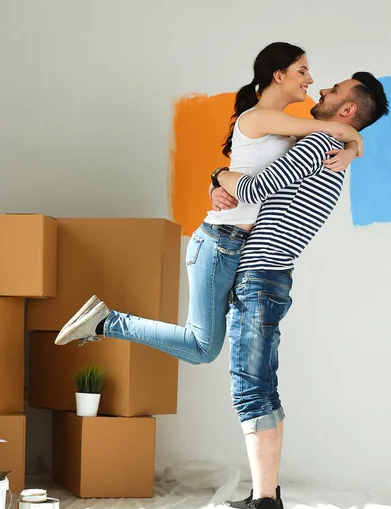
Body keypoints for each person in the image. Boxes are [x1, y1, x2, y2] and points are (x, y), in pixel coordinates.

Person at [54, 42, 361, 364]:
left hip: (237, 246)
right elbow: (338, 129)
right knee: (203, 348)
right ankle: (108, 321)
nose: (310, 79)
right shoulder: (258, 118)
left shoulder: (287, 131)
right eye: (302, 71)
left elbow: (317, 143)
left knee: (204, 348)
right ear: (278, 75)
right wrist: (354, 144)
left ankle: (105, 320)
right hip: (220, 243)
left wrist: (217, 179)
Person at [207, 72, 389, 509]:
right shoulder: (333, 148)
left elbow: (250, 191)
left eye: (335, 91)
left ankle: (266, 507)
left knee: (252, 387)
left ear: (347, 110)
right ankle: (266, 495)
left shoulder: (314, 145)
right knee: (259, 384)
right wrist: (352, 144)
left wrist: (217, 175)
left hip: (261, 277)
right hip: (270, 276)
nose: (323, 89)